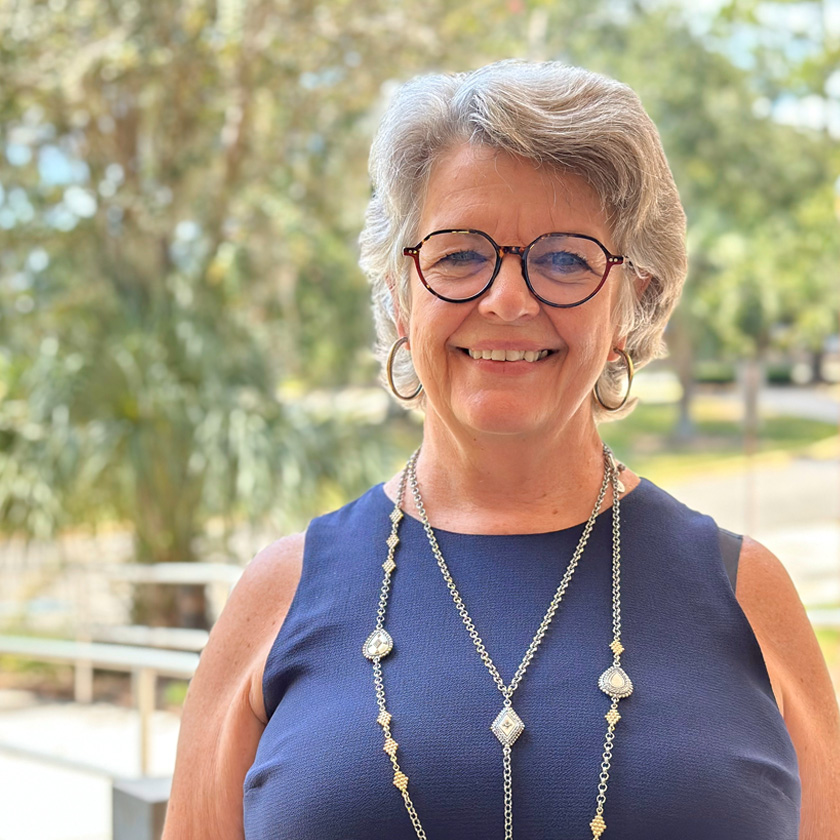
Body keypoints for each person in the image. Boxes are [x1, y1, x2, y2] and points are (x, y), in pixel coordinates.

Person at [163, 61, 840, 840]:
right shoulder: (278, 598)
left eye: (564, 259)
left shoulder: (749, 595)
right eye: (458, 255)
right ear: (397, 290)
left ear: (633, 298)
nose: (508, 300)